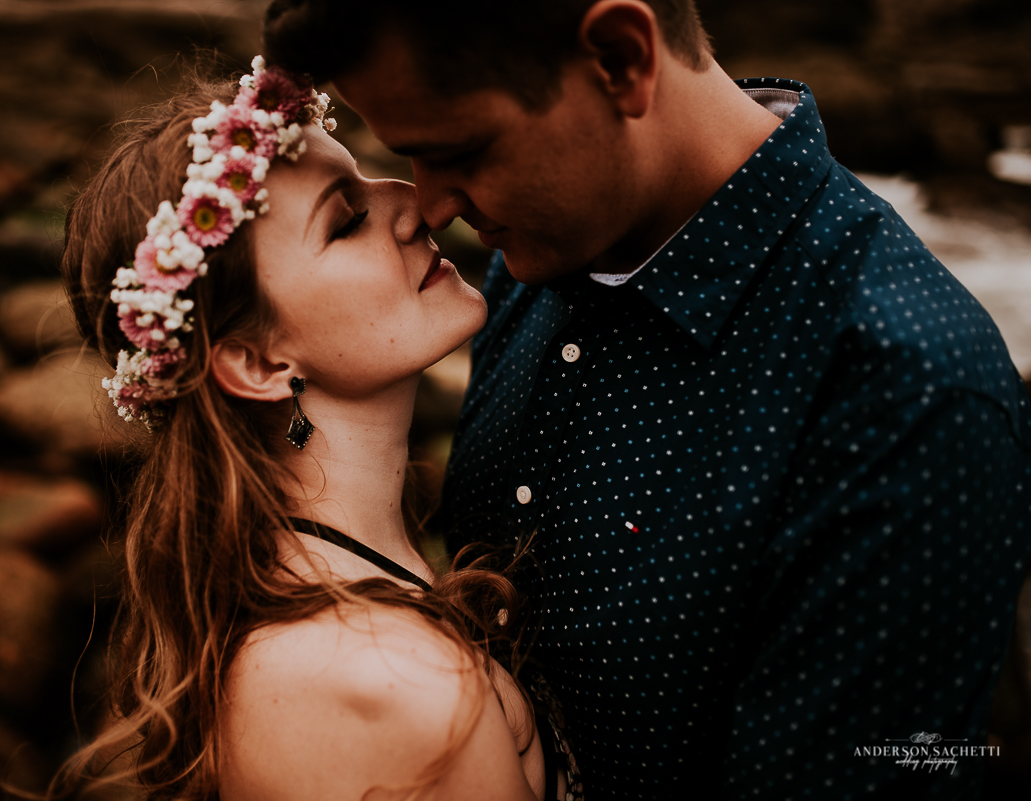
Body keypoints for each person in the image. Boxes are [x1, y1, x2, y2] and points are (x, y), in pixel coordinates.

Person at [262, 0, 1031, 797]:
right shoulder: (533, 261)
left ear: (623, 59)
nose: (431, 206)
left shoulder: (911, 399)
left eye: (460, 151)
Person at [54, 59, 574, 800]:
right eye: (348, 219)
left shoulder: (350, 593)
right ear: (256, 360)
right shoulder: (383, 684)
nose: (416, 204)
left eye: (366, 176)